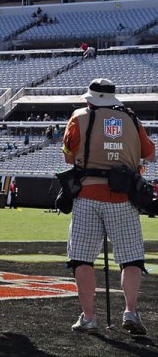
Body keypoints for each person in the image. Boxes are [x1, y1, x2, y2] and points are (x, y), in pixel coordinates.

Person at [62, 79, 153, 335]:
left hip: (88, 195)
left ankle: (89, 317)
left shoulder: (78, 117)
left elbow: (68, 154)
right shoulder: (132, 119)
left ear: (90, 98)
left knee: (81, 258)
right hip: (123, 197)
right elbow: (150, 153)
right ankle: (131, 311)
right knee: (131, 257)